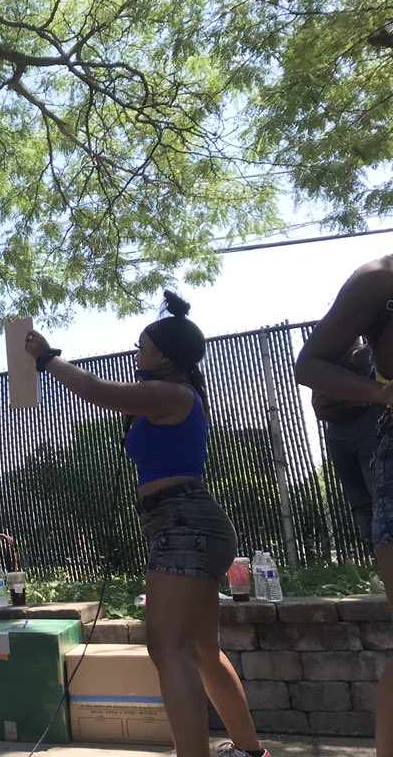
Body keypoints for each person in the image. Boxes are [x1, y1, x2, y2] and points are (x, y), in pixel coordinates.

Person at [25, 290, 268, 757]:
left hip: (182, 522)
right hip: (187, 522)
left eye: (142, 346)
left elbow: (100, 392)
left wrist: (47, 358)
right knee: (200, 648)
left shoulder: (170, 393)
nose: (137, 353)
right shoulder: (173, 395)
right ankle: (250, 751)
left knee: (166, 646)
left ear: (164, 355)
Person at [295, 255, 393, 757]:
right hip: (361, 434)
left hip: (363, 429)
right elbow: (317, 393)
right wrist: (378, 394)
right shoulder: (379, 283)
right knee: (366, 503)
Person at [310, 339, 381, 543]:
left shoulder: (366, 355)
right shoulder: (327, 361)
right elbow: (319, 404)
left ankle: (382, 551)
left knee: (379, 496)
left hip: (368, 431)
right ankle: (376, 553)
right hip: (339, 436)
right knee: (361, 502)